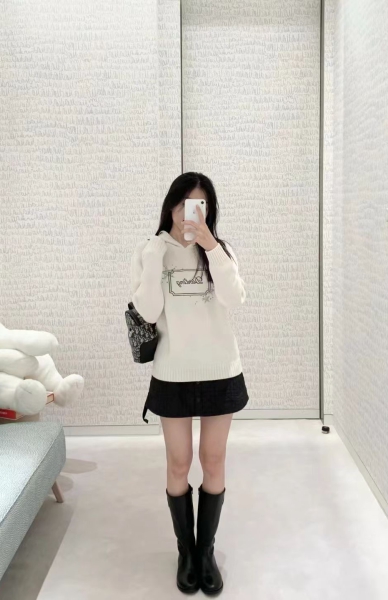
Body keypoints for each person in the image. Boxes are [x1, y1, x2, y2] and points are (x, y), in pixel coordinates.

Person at [130, 172, 248, 595]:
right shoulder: (151, 251)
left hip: (219, 370)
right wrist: (153, 258)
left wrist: (211, 247)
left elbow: (235, 299)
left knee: (213, 461)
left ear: (208, 211)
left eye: (199, 206)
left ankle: (205, 551)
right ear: (171, 207)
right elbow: (147, 311)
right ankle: (186, 551)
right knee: (179, 463)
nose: (189, 214)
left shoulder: (220, 251)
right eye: (183, 205)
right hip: (173, 373)